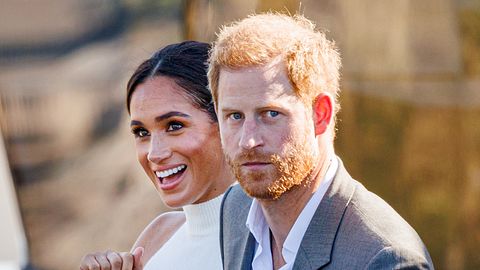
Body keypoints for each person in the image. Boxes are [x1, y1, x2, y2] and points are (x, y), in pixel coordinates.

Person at [208, 13, 434, 269]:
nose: (248, 141)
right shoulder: (235, 207)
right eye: (234, 116)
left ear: (321, 114)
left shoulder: (386, 257)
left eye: (271, 114)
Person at [79, 41, 234, 270]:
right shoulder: (159, 235)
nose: (154, 153)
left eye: (174, 126)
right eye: (141, 132)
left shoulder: (271, 235)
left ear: (226, 121)